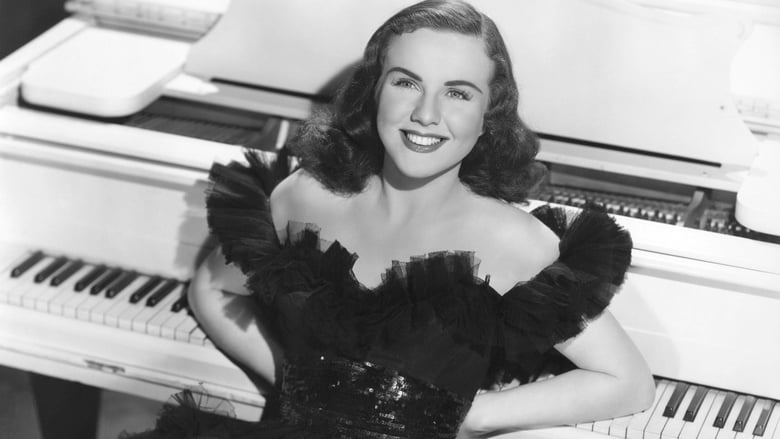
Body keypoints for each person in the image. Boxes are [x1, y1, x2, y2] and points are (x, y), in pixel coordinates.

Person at [126, 0, 655, 437]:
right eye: (406, 83)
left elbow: (626, 381)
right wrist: (294, 379)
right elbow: (212, 290)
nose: (426, 114)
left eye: (457, 92)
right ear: (375, 91)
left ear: (487, 115)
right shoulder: (304, 196)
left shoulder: (512, 241)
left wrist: (473, 417)